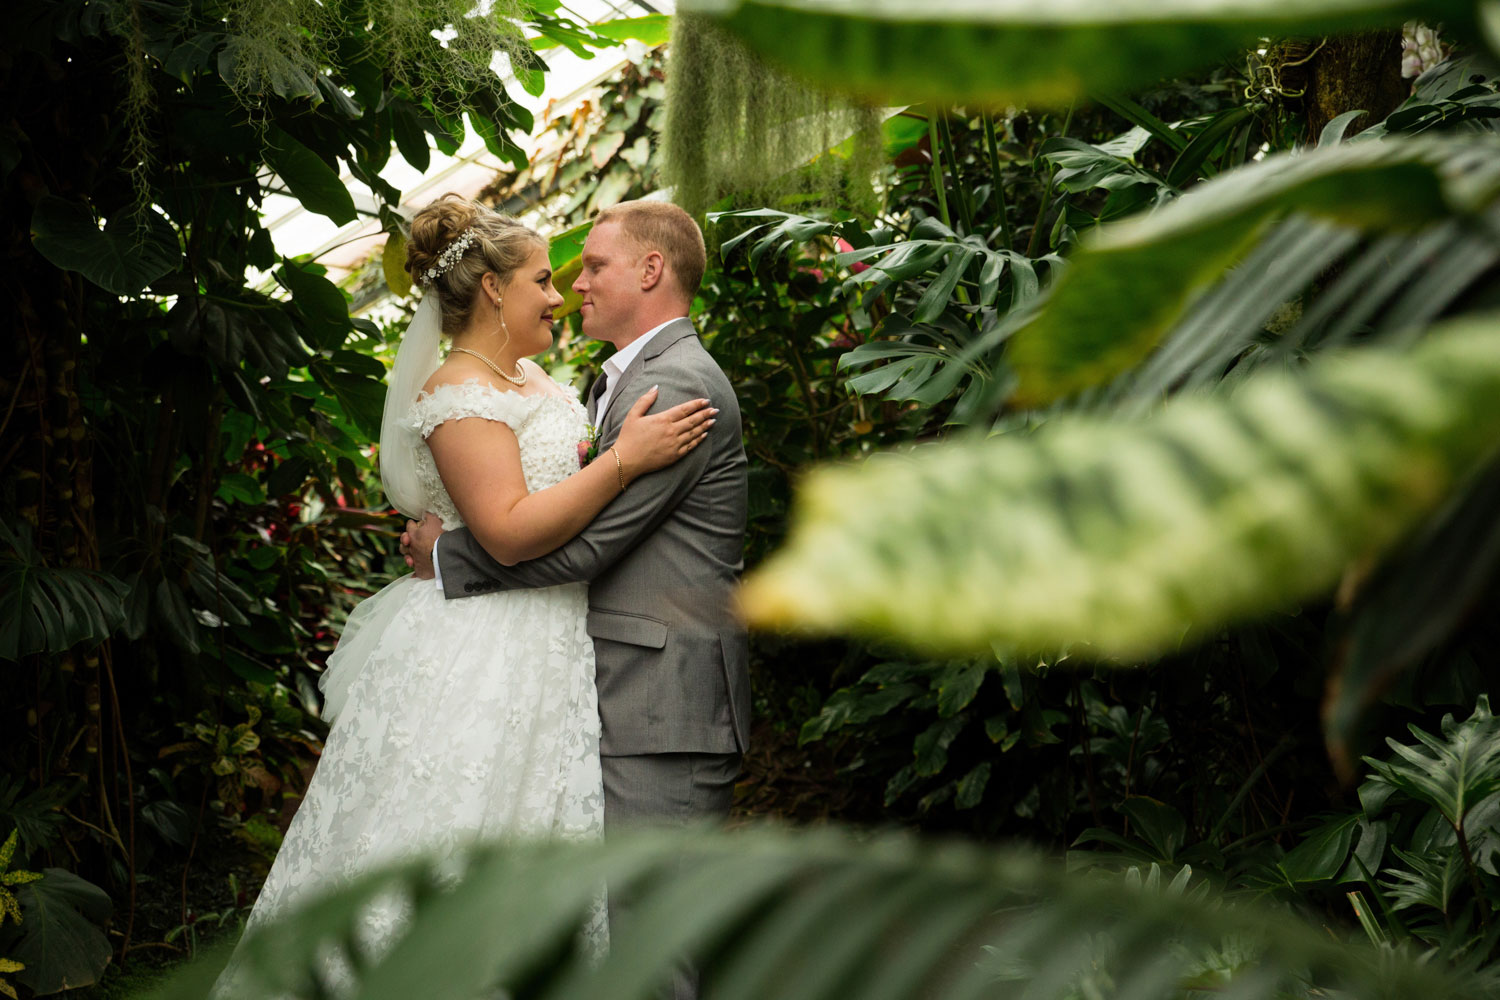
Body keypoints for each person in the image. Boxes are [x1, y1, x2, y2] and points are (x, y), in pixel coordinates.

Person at [214, 194, 714, 992]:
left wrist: (456, 548)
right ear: (492, 289)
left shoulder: (536, 381)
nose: (559, 294)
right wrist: (622, 462)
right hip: (481, 652)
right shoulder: (456, 394)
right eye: (545, 279)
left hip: (554, 649)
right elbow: (512, 529)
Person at [402, 199, 750, 1000]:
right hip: (616, 692)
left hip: (663, 703)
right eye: (563, 270)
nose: (573, 285)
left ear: (651, 270)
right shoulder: (619, 380)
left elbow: (590, 546)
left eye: (593, 266)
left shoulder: (678, 386)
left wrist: (449, 557)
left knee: (652, 940)